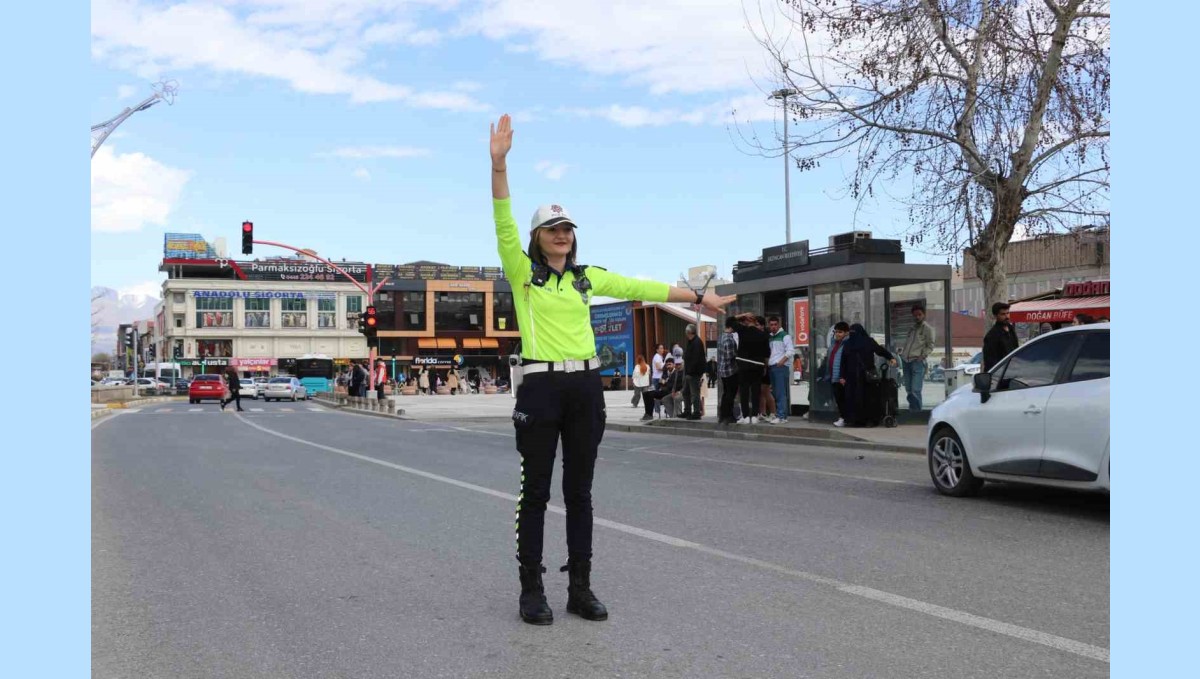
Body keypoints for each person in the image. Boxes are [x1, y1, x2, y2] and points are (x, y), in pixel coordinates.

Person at [490, 114, 733, 625]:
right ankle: (531, 590)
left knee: (579, 492)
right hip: (539, 386)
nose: (562, 235)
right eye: (553, 229)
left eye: (568, 229)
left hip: (584, 387)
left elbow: (640, 287)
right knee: (535, 492)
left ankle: (580, 586)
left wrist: (699, 298)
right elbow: (502, 219)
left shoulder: (585, 278)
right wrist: (499, 165)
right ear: (537, 237)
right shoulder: (522, 274)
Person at [839, 323, 897, 427]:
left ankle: (856, 420)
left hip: (855, 377)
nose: (852, 335)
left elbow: (843, 361)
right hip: (865, 377)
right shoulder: (867, 341)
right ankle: (869, 420)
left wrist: (842, 376)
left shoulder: (848, 343)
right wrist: (890, 357)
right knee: (868, 399)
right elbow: (880, 350)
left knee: (856, 398)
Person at [730, 312, 769, 424]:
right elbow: (767, 353)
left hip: (743, 364)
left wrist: (740, 315)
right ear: (756, 321)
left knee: (744, 390)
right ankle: (755, 416)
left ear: (747, 320)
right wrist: (765, 366)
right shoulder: (762, 334)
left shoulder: (742, 331)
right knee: (756, 390)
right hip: (758, 365)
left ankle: (746, 416)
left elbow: (730, 321)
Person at [898, 305, 935, 412]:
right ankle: (912, 410)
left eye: (919, 315)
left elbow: (930, 345)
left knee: (916, 389)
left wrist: (922, 356)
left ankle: (917, 413)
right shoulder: (912, 329)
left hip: (917, 361)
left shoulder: (928, 329)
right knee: (908, 389)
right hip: (906, 360)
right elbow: (908, 343)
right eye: (915, 315)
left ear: (924, 315)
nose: (917, 317)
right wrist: (902, 353)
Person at [766, 315, 795, 424]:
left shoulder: (785, 336)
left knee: (780, 392)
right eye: (771, 325)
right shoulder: (770, 337)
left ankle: (782, 416)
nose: (773, 327)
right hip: (773, 366)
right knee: (776, 392)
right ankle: (781, 414)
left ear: (779, 325)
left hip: (780, 366)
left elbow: (790, 351)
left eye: (775, 325)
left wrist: (781, 362)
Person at [825, 322, 851, 427]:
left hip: (842, 377)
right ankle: (843, 417)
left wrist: (843, 376)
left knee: (842, 399)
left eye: (840, 332)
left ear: (846, 333)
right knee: (838, 398)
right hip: (833, 375)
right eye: (836, 332)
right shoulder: (834, 343)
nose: (837, 334)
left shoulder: (847, 344)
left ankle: (844, 418)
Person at [982, 302, 1019, 373]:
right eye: (1003, 314)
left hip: (1013, 372)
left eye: (1008, 313)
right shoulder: (992, 335)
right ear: (996, 316)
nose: (1007, 316)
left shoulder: (1011, 329)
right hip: (1001, 375)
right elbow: (990, 362)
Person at [681, 324, 706, 420]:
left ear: (689, 332)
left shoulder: (697, 342)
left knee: (694, 393)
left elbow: (696, 359)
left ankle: (696, 412)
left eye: (686, 332)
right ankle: (687, 410)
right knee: (686, 392)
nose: (685, 334)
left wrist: (690, 372)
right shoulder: (691, 341)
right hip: (688, 372)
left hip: (693, 373)